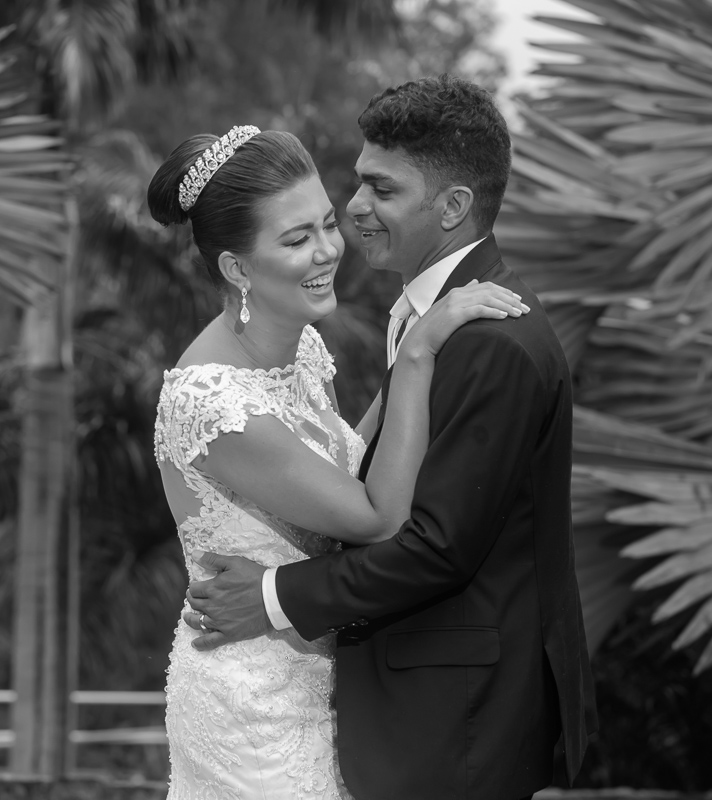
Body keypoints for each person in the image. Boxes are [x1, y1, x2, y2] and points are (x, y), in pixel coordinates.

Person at [183, 76, 598, 800]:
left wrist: (276, 596)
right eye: (355, 185)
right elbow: (365, 474)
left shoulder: (489, 341)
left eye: (381, 189)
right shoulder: (426, 324)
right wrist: (412, 356)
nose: (354, 211)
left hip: (454, 720)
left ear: (454, 206)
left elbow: (437, 546)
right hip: (347, 708)